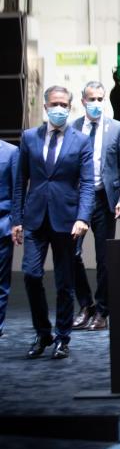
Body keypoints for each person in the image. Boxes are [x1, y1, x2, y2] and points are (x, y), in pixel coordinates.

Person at [12, 85, 94, 360]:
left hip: (67, 220)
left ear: (70, 108)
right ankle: (42, 332)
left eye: (64, 104)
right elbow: (19, 181)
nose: (59, 109)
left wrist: (83, 218)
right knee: (31, 275)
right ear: (46, 107)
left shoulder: (81, 141)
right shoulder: (29, 138)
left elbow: (87, 185)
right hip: (35, 219)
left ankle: (62, 337)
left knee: (64, 283)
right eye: (55, 104)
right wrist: (16, 219)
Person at [71, 81, 120, 331]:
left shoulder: (116, 128)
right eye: (92, 99)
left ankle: (103, 310)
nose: (96, 103)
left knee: (104, 259)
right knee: (72, 254)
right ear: (83, 100)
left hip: (104, 199)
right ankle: (86, 305)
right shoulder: (73, 128)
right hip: (77, 201)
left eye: (100, 98)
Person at [0, 140, 18, 338]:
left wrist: (15, 221)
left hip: (2, 223)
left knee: (1, 280)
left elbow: (16, 189)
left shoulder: (11, 152)